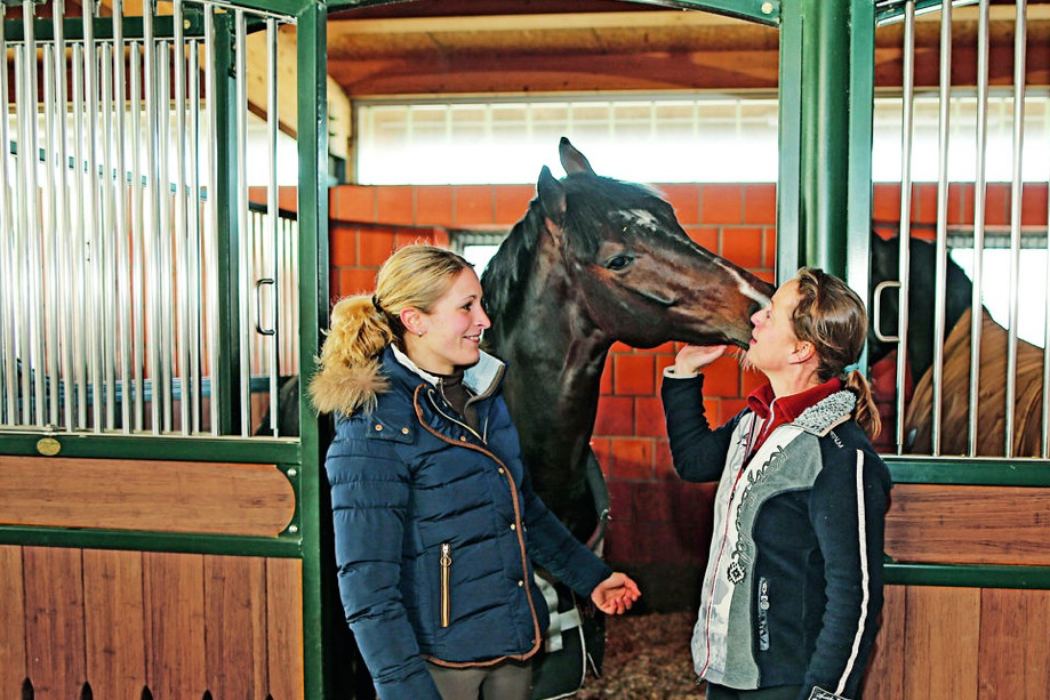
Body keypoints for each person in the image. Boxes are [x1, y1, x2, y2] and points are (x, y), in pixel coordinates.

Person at [310, 244, 640, 700]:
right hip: (440, 667)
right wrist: (405, 690)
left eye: (480, 303)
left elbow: (520, 507)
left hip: (511, 647)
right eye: (467, 307)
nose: (483, 320)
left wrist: (591, 576)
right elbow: (367, 587)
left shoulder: (482, 396)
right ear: (414, 319)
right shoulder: (374, 427)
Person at [661, 268, 891, 700]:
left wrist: (826, 693)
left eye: (772, 313)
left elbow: (855, 597)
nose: (756, 319)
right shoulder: (756, 420)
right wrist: (684, 372)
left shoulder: (842, 454)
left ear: (801, 350)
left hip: (787, 681)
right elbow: (694, 461)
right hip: (728, 670)